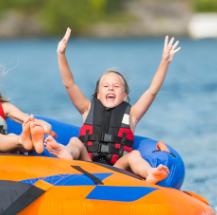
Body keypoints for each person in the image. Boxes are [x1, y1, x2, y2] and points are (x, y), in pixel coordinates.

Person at [44, 27, 177, 184]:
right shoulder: (88, 109)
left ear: (125, 95)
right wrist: (61, 54)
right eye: (105, 86)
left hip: (117, 168)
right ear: (98, 94)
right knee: (76, 141)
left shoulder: (132, 114)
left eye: (116, 86)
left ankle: (150, 173)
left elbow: (152, 91)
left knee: (134, 156)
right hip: (88, 164)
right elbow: (69, 84)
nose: (111, 88)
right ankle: (66, 152)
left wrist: (164, 62)